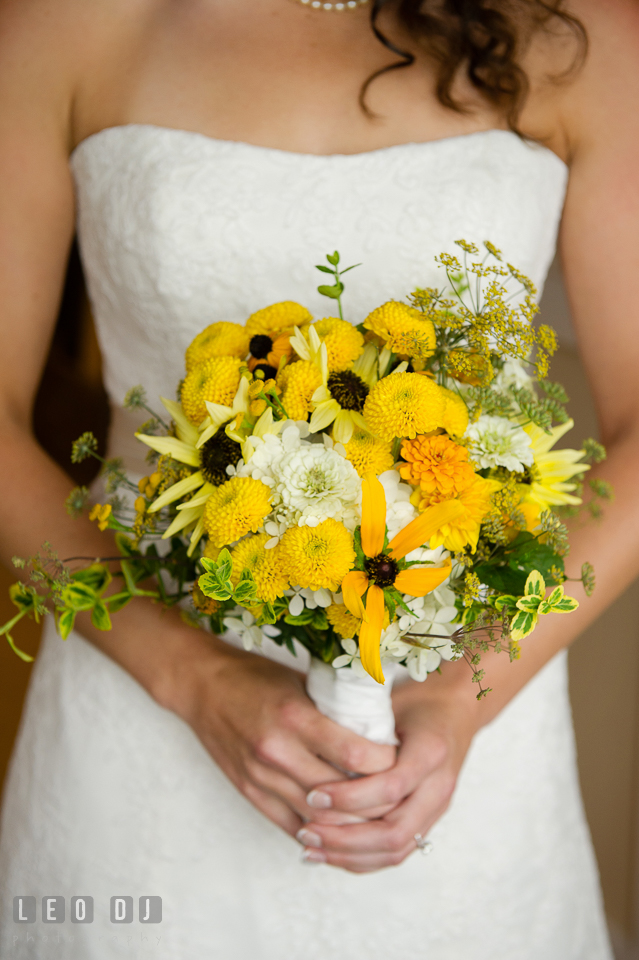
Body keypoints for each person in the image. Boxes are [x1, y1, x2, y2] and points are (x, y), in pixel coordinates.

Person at [0, 0, 636, 956]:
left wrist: (462, 696)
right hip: (135, 706)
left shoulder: (581, 33)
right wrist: (194, 677)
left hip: (457, 717)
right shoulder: (63, 24)